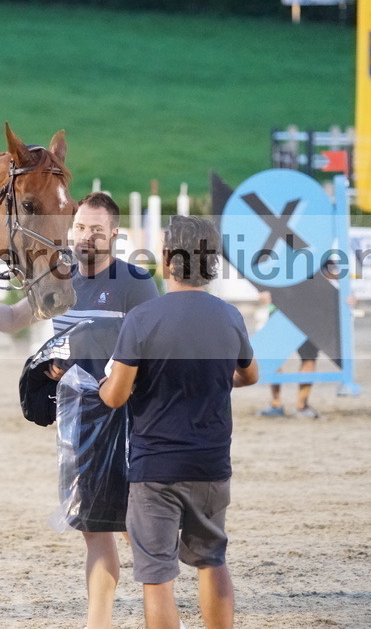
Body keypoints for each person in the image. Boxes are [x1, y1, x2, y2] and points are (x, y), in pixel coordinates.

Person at [0, 192, 158, 629]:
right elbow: (13, 319)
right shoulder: (58, 277)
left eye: (96, 229)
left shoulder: (134, 281)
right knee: (95, 528)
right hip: (77, 422)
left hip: (127, 419)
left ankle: (165, 616)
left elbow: (151, 351)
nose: (85, 237)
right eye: (79, 227)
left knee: (136, 528)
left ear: (114, 235)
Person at [100, 215, 259, 629]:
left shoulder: (143, 319)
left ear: (167, 257)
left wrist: (101, 383)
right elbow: (249, 374)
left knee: (157, 578)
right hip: (211, 463)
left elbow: (116, 396)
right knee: (212, 561)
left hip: (156, 466)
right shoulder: (229, 316)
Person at [256, 260, 355, 420]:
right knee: (279, 358)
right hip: (290, 310)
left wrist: (346, 297)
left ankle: (289, 405)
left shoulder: (312, 252)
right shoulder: (309, 250)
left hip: (305, 311)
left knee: (304, 358)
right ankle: (287, 405)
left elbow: (334, 275)